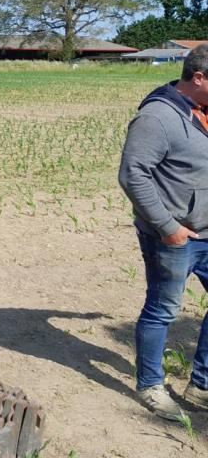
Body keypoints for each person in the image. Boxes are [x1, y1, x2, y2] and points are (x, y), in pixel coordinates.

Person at [119, 43, 208, 421]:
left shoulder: (204, 112)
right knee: (163, 311)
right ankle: (151, 386)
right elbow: (132, 175)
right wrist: (168, 227)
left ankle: (201, 383)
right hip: (174, 236)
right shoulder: (157, 117)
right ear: (199, 77)